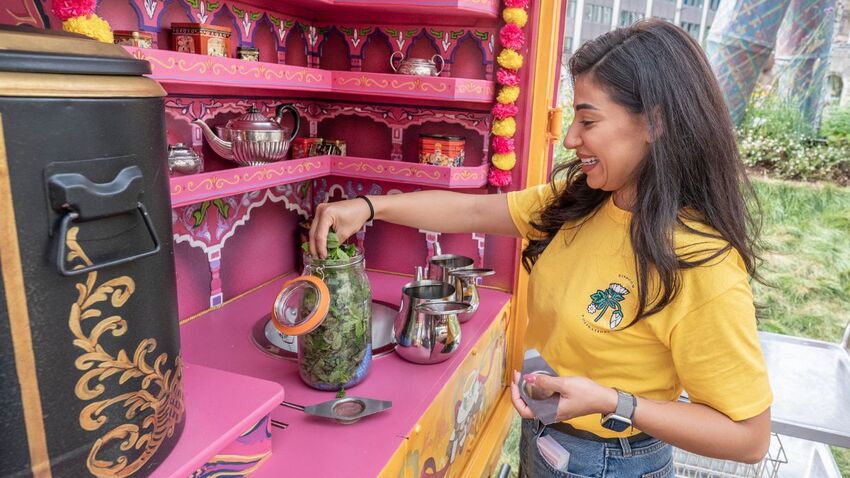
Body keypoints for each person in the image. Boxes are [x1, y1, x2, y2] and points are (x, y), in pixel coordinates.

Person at [309, 19, 772, 478]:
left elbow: (749, 438)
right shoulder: (581, 202)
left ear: (655, 122)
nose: (570, 138)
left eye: (588, 120)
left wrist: (612, 402)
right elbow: (473, 211)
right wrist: (370, 207)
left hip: (615, 461)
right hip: (548, 437)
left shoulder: (700, 262)